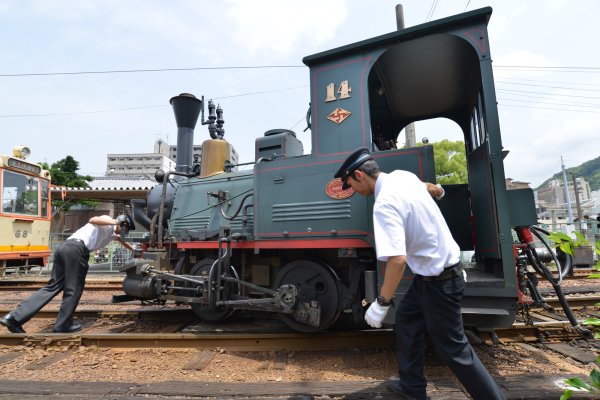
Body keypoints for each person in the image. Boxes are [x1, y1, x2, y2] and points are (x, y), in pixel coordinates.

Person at [334, 148, 505, 400]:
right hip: (430, 278)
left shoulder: (384, 204)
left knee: (454, 350)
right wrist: (440, 190)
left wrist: (381, 303)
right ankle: (412, 388)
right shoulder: (402, 177)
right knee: (407, 320)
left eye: (351, 185)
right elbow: (428, 187)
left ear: (359, 174)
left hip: (440, 282)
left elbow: (397, 259)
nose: (355, 193)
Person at [0, 214, 135, 334]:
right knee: (74, 289)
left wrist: (134, 249)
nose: (124, 233)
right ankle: (62, 325)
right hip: (76, 250)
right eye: (126, 230)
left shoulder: (112, 234)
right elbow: (93, 219)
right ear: (123, 225)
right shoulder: (107, 221)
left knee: (53, 286)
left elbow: (120, 240)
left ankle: (13, 318)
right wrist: (115, 221)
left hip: (65, 248)